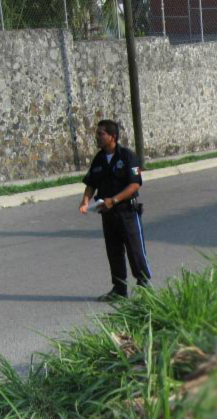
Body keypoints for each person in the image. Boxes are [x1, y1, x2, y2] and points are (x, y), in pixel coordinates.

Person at [79, 119, 150, 301]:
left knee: (135, 250)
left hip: (127, 212)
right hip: (107, 213)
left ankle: (144, 288)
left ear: (113, 136)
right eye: (97, 133)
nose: (97, 137)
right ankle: (119, 289)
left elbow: (134, 185)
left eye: (101, 133)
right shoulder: (99, 158)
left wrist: (115, 199)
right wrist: (85, 201)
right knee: (114, 251)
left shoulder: (127, 156)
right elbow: (91, 183)